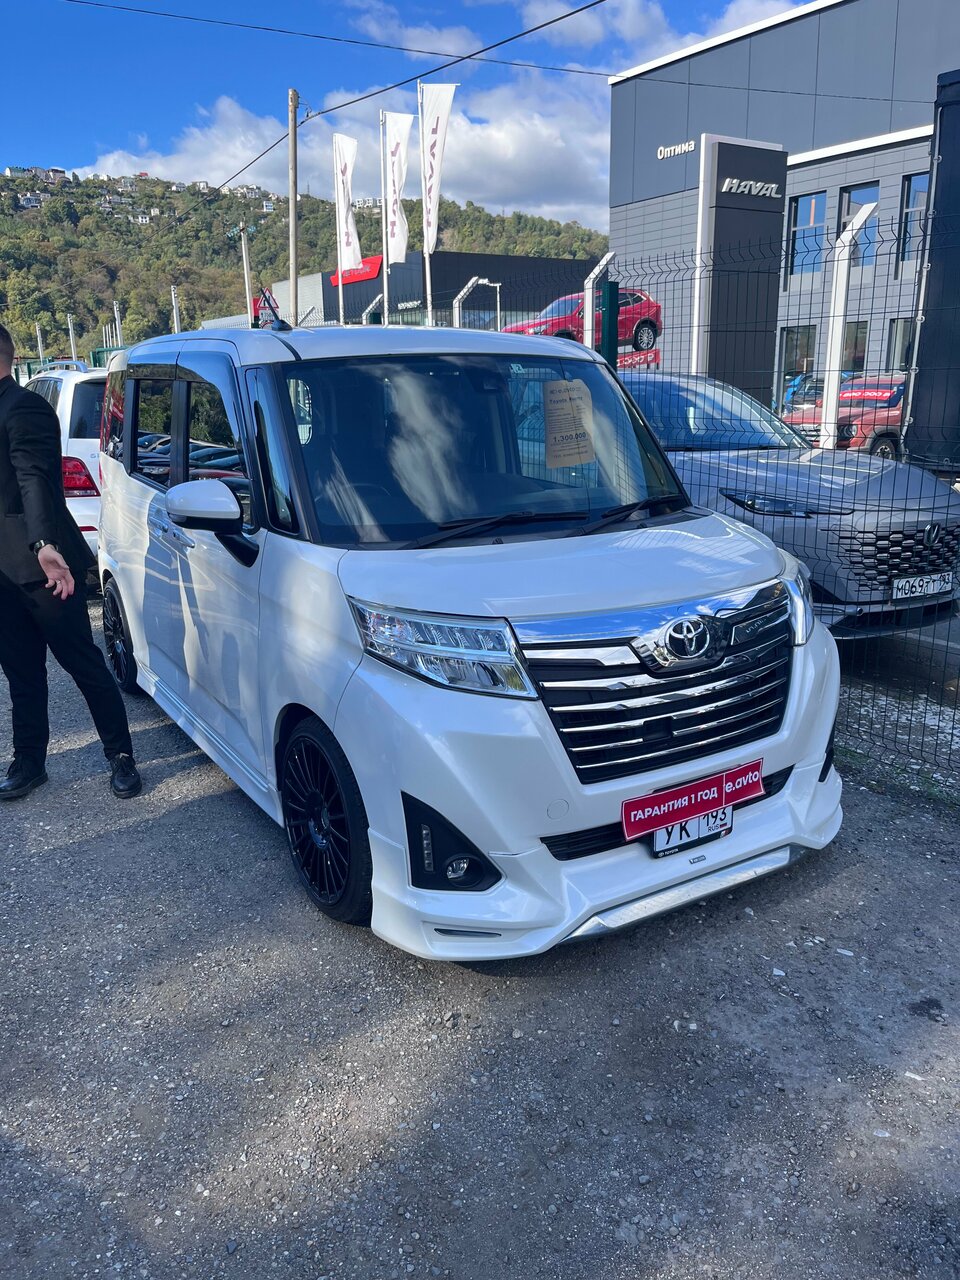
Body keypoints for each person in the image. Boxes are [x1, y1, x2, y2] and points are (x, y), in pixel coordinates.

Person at [0, 322, 141, 800]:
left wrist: (44, 543)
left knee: (82, 663)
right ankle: (29, 762)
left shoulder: (25, 408)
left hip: (45, 566)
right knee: (21, 671)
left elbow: (33, 479)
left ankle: (121, 755)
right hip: (4, 573)